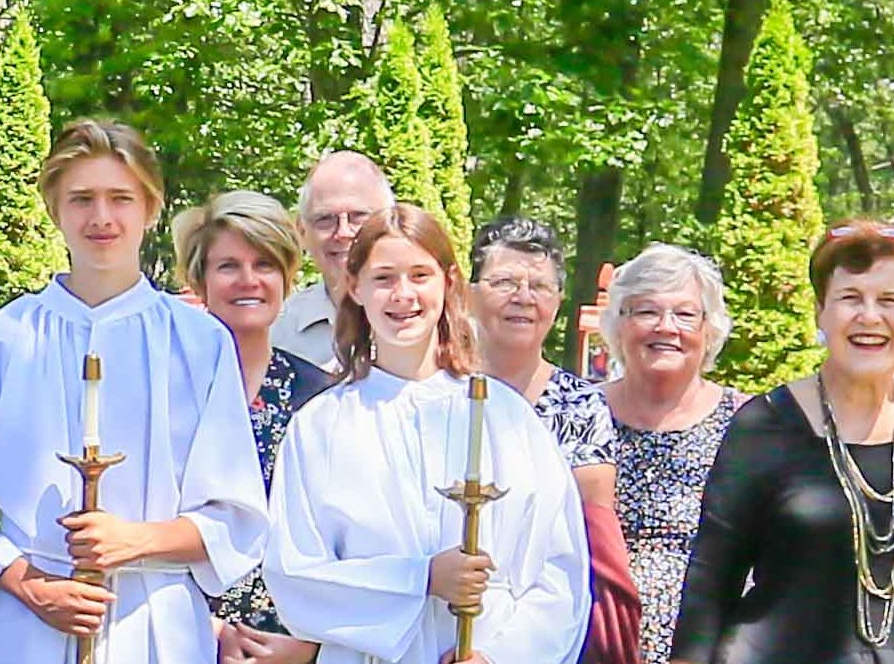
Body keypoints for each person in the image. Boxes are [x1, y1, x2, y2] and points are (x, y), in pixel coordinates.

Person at [0, 119, 273, 664]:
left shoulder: (198, 341)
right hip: (25, 621)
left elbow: (236, 513)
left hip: (156, 621)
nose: (102, 218)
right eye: (81, 199)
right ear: (54, 210)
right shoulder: (8, 337)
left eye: (121, 198)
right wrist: (29, 584)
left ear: (151, 209)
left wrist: (134, 540)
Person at [269, 205, 591, 664]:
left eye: (420, 275)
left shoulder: (505, 418)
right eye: (384, 278)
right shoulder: (322, 425)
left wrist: (502, 657)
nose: (403, 295)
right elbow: (294, 574)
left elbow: (559, 572)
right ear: (355, 288)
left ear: (449, 282)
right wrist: (419, 579)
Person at [673, 222, 894, 662]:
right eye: (850, 298)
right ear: (821, 312)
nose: (869, 317)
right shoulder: (765, 426)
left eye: (889, 300)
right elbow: (710, 582)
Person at [167, 190, 331, 662]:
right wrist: (210, 627)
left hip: (291, 641)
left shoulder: (320, 397)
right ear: (198, 279)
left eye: (264, 265)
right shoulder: (166, 391)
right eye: (228, 266)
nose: (248, 281)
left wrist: (312, 645)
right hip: (180, 630)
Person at [471, 216, 644, 663]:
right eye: (505, 282)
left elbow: (591, 541)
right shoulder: (435, 393)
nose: (523, 298)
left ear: (559, 300)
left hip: (545, 628)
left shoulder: (580, 406)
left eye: (540, 286)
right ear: (468, 293)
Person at [581, 245, 743, 663]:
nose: (666, 327)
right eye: (645, 311)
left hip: (713, 647)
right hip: (590, 643)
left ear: (710, 329)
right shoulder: (579, 416)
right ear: (618, 325)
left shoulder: (749, 423)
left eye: (685, 314)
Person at [271, 153, 396, 373]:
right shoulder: (278, 333)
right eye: (325, 220)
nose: (343, 232)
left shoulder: (430, 322)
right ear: (302, 231)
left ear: (391, 221)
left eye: (358, 216)